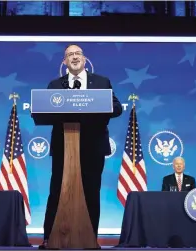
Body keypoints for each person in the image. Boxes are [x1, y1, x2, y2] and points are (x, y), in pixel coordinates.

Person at [40, 44, 123, 248]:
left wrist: (96, 105)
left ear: (85, 59)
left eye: (78, 54)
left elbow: (117, 108)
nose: (74, 57)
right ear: (64, 62)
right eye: (70, 55)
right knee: (57, 190)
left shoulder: (101, 82)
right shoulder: (55, 85)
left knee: (91, 192)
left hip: (93, 147)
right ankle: (49, 238)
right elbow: (44, 110)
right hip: (64, 148)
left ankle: (89, 238)